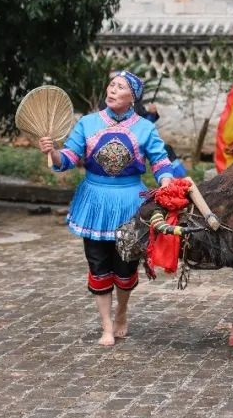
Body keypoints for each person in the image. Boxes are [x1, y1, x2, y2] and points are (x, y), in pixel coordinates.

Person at [38, 71, 175, 347]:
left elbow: (160, 163)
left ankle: (122, 312)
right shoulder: (88, 124)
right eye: (111, 85)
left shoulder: (145, 128)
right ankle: (107, 326)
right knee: (98, 263)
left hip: (129, 201)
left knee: (125, 267)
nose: (112, 90)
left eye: (120, 87)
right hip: (95, 201)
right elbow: (68, 158)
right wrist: (52, 152)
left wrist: (168, 182)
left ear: (132, 97)